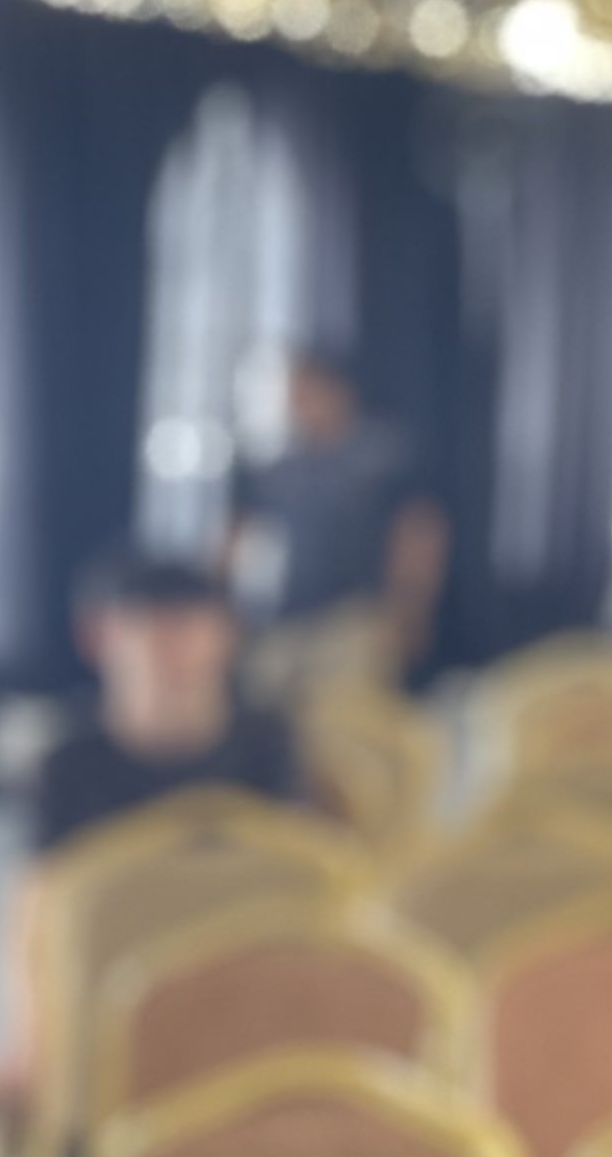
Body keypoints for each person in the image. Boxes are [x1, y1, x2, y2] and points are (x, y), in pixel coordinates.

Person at [29, 548, 300, 852]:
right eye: (152, 630)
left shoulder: (271, 746)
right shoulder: (67, 770)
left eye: (186, 627)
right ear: (94, 640)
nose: (174, 651)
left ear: (230, 637)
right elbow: (51, 879)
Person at [228, 350, 446, 681]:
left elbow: (419, 535)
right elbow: (237, 538)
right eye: (293, 391)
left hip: (360, 617)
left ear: (339, 392)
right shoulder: (280, 470)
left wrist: (411, 613)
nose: (297, 402)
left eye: (307, 390)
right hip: (286, 622)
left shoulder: (382, 460)